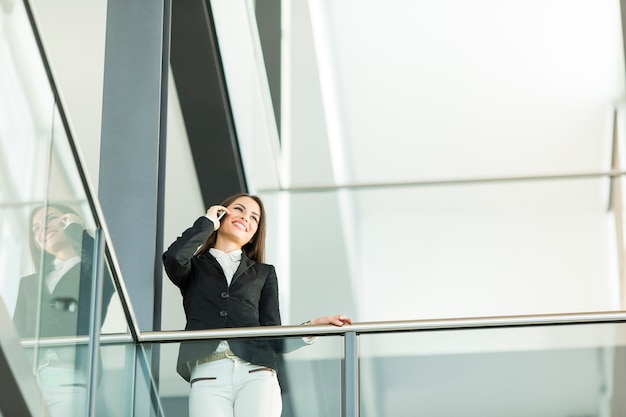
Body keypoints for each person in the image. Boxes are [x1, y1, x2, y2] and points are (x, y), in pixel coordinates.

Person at [163, 193, 352, 417]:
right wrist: (207, 223)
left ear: (254, 234)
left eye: (254, 218)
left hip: (257, 373)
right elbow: (173, 258)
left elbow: (273, 335)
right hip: (207, 372)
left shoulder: (263, 273)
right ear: (221, 214)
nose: (246, 218)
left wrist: (312, 327)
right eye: (239, 209)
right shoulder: (194, 267)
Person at [13, 203, 115, 417]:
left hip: (69, 375)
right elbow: (17, 334)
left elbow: (101, 272)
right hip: (28, 378)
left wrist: (77, 231)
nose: (42, 229)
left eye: (50, 219)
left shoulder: (91, 270)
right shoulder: (29, 283)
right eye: (35, 228)